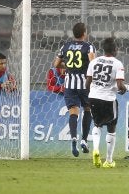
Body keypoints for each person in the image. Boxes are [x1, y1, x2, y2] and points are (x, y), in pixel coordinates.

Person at [53, 22, 96, 157]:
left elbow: (56, 64)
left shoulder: (65, 46)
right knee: (88, 109)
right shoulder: (89, 46)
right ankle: (84, 139)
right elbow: (93, 64)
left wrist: (69, 65)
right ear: (84, 33)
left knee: (73, 112)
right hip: (85, 84)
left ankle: (73, 138)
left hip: (69, 83)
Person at [87, 37, 127, 169]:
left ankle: (96, 149)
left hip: (93, 97)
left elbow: (87, 82)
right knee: (111, 128)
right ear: (115, 50)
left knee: (97, 125)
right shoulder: (117, 64)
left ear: (103, 49)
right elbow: (120, 85)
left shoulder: (94, 62)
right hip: (108, 99)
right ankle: (109, 161)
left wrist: (91, 94)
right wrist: (124, 89)